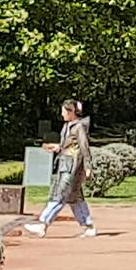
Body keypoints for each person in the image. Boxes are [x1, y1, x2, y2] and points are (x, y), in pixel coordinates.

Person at [25, 99, 97, 239]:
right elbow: (67, 146)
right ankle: (88, 225)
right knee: (75, 197)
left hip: (72, 167)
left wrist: (88, 166)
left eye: (64, 111)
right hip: (65, 164)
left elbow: (84, 147)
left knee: (60, 194)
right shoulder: (68, 126)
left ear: (71, 112)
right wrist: (56, 147)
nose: (62, 114)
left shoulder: (78, 127)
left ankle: (43, 223)